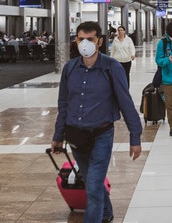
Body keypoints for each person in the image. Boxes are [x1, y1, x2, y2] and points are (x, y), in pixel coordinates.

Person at [50, 21, 142, 223]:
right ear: (76, 40)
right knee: (93, 181)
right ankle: (106, 213)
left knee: (92, 186)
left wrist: (135, 136)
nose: (85, 43)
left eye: (90, 39)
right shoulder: (70, 69)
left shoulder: (112, 67)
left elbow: (126, 103)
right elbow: (63, 104)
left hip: (102, 134)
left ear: (99, 41)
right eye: (81, 39)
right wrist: (58, 136)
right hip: (76, 136)